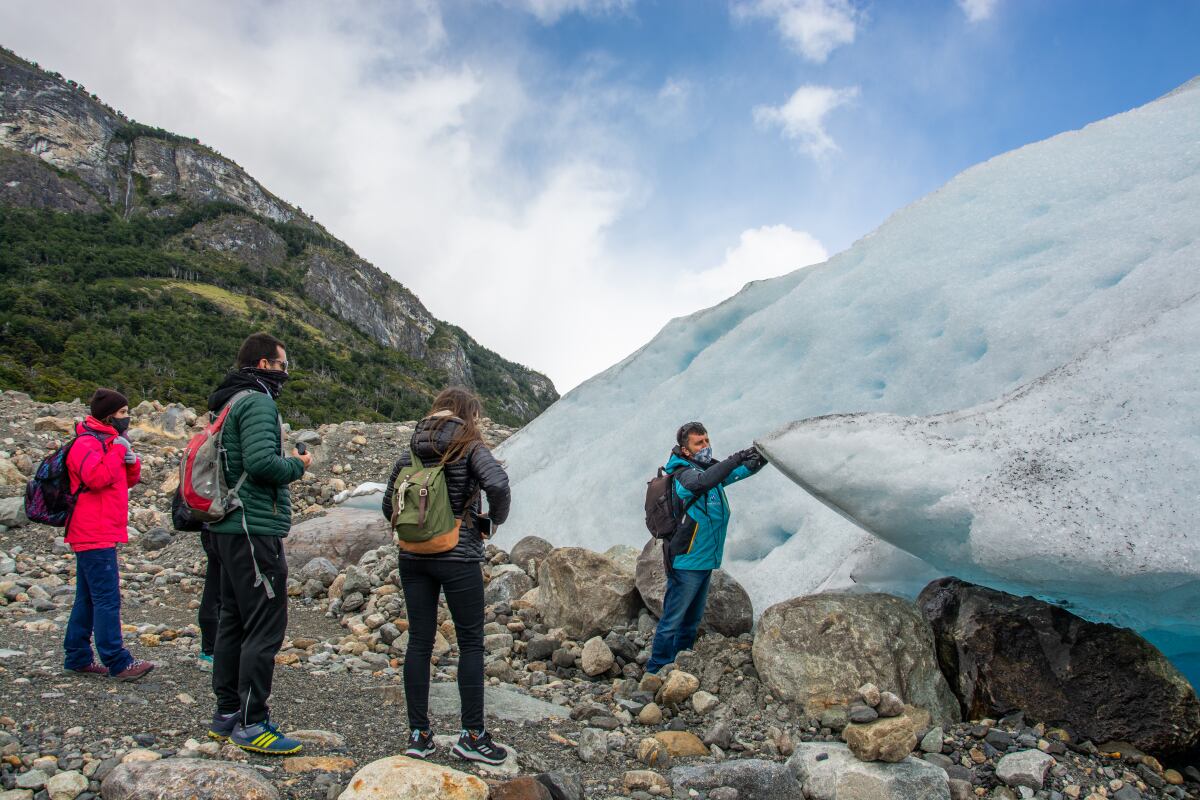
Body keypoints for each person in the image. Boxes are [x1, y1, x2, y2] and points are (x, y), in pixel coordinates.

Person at [382, 387, 511, 765]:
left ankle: (419, 736)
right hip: (459, 553)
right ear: (467, 414)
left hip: (413, 555)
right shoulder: (469, 445)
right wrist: (492, 521)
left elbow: (389, 502)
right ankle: (472, 736)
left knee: (420, 641)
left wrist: (414, 529)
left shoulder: (413, 448)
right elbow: (498, 485)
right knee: (470, 642)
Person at [203, 333, 312, 754]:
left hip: (226, 528)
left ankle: (227, 712)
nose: (286, 373)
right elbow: (263, 464)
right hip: (253, 528)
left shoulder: (227, 403)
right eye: (283, 364)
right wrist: (299, 465)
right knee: (266, 623)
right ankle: (253, 722)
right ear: (266, 365)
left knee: (233, 618)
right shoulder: (258, 402)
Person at [645, 421, 767, 674]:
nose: (705, 446)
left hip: (703, 559)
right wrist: (734, 459)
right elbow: (700, 483)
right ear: (685, 449)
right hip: (686, 560)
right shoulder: (683, 474)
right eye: (699, 443)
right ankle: (655, 670)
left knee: (691, 620)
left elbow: (738, 472)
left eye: (707, 441)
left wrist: (764, 456)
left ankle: (681, 662)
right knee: (672, 619)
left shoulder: (706, 470)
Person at [63, 388, 155, 681]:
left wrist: (130, 459)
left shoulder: (112, 442)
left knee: (88, 598)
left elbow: (126, 480)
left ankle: (77, 656)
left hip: (100, 529)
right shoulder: (86, 444)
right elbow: (96, 479)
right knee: (106, 598)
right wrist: (117, 450)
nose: (127, 419)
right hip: (92, 531)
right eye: (123, 413)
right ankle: (117, 660)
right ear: (109, 415)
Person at [196, 523, 220, 670]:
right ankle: (212, 651)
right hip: (229, 528)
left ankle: (209, 650)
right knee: (218, 590)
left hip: (211, 526)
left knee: (215, 586)